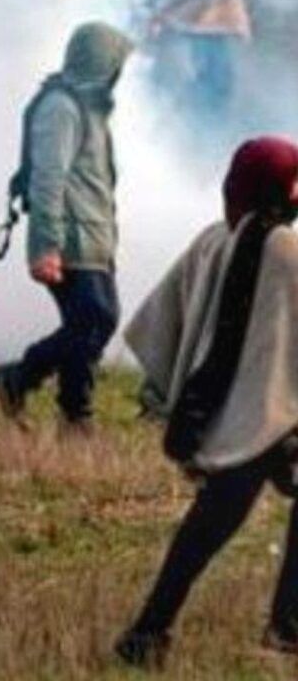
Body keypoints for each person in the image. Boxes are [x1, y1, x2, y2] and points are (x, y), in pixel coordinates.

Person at [115, 137, 298, 668]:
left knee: (210, 523)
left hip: (227, 410)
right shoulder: (283, 248)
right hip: (268, 410)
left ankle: (149, 631)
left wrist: (168, 394)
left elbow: (169, 315)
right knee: (213, 523)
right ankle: (284, 626)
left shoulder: (215, 238)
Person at [0, 22, 134, 433]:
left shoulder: (91, 110)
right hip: (70, 239)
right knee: (94, 321)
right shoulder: (61, 108)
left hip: (94, 237)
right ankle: (25, 382)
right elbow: (48, 179)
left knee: (92, 324)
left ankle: (68, 412)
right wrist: (47, 246)